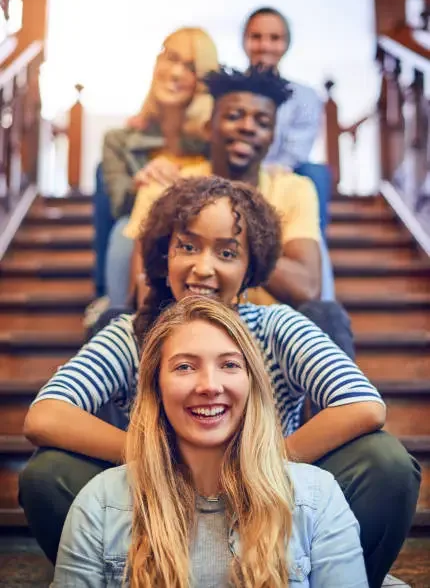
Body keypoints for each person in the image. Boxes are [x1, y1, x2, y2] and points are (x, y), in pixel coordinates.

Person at [20, 177, 419, 587]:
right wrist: (153, 456)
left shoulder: (276, 325)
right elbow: (45, 415)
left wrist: (261, 459)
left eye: (227, 252)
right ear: (164, 254)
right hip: (161, 500)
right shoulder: (130, 334)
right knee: (47, 473)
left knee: (385, 462)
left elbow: (364, 405)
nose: (203, 267)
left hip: (271, 496)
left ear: (250, 269)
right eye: (187, 247)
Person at [53, 296, 369, 587]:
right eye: (185, 367)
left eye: (229, 365)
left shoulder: (317, 498)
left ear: (252, 383)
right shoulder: (99, 503)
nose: (209, 386)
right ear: (156, 387)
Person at [124, 66, 347, 352]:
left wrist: (240, 236)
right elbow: (146, 288)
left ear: (271, 137)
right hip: (181, 332)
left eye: (262, 122)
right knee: (114, 318)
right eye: (234, 116)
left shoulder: (294, 189)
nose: (248, 127)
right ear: (208, 127)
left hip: (266, 338)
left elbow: (306, 289)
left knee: (327, 316)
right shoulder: (165, 186)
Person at [94, 27, 218, 305]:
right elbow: (118, 204)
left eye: (190, 67)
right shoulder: (120, 140)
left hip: (202, 236)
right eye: (170, 58)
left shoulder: (216, 139)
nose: (175, 73)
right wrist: (140, 183)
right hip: (142, 236)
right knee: (125, 228)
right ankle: (118, 318)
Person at [242, 6, 334, 297]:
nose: (265, 46)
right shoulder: (226, 90)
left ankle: (313, 269)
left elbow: (296, 151)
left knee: (315, 174)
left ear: (286, 44)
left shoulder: (304, 96)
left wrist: (268, 178)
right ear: (245, 41)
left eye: (274, 38)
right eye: (256, 37)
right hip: (235, 170)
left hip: (281, 173)